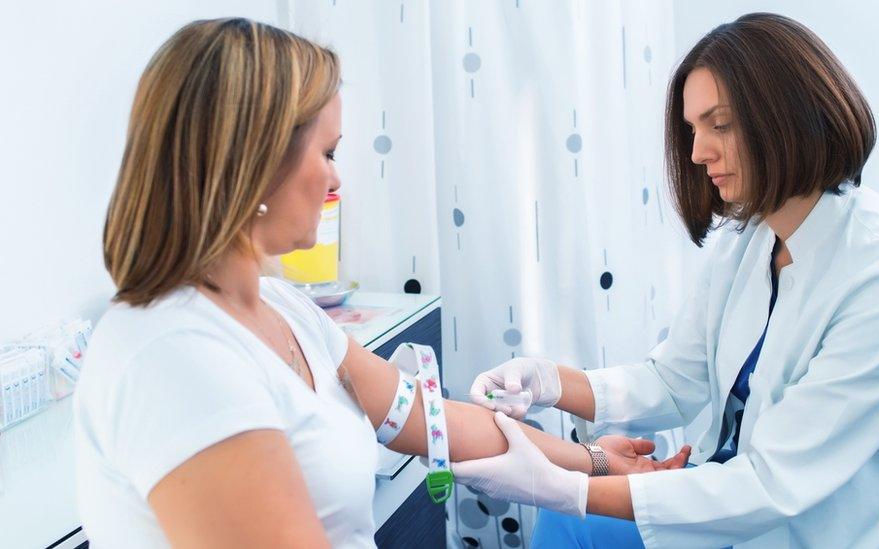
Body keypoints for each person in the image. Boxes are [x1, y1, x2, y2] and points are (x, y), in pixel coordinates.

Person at [72, 18, 691, 549]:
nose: (338, 181)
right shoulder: (175, 357)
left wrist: (601, 465)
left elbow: (436, 422)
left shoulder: (282, 310)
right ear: (255, 163)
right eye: (328, 152)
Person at [458, 12, 879, 548]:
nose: (698, 151)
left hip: (841, 532)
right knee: (570, 526)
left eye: (718, 124)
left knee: (573, 513)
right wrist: (550, 383)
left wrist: (570, 487)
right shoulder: (755, 235)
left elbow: (775, 482)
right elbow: (675, 379)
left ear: (790, 117)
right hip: (739, 506)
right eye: (693, 129)